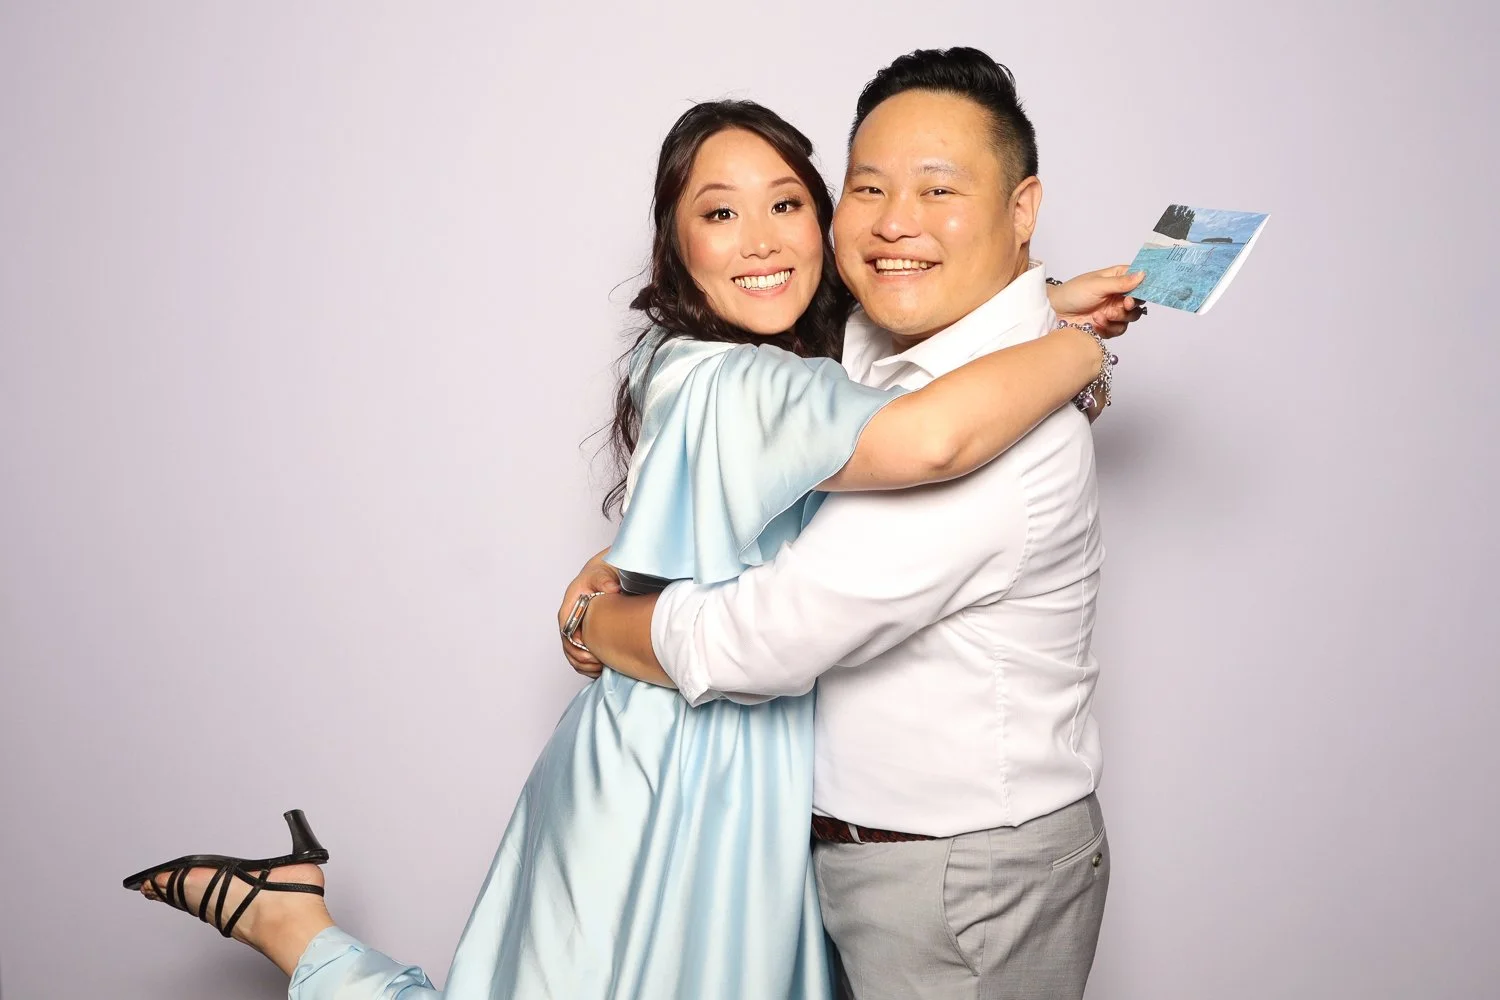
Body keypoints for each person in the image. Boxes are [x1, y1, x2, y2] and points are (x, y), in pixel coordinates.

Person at [124, 92, 1139, 998]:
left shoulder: (795, 363)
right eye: (719, 214)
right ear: (677, 245)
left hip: (743, 766)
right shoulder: (736, 382)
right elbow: (932, 434)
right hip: (677, 765)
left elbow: (905, 354)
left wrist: (1036, 302)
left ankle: (296, 925)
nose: (760, 241)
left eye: (788, 204)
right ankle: (298, 933)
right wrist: (1079, 347)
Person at [571, 48, 1120, 1000]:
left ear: (1021, 209)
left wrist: (593, 620)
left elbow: (759, 639)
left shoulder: (1001, 439)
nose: (896, 221)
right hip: (849, 860)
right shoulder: (858, 355)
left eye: (937, 189)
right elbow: (858, 375)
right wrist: (1052, 313)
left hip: (958, 883)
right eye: (869, 188)